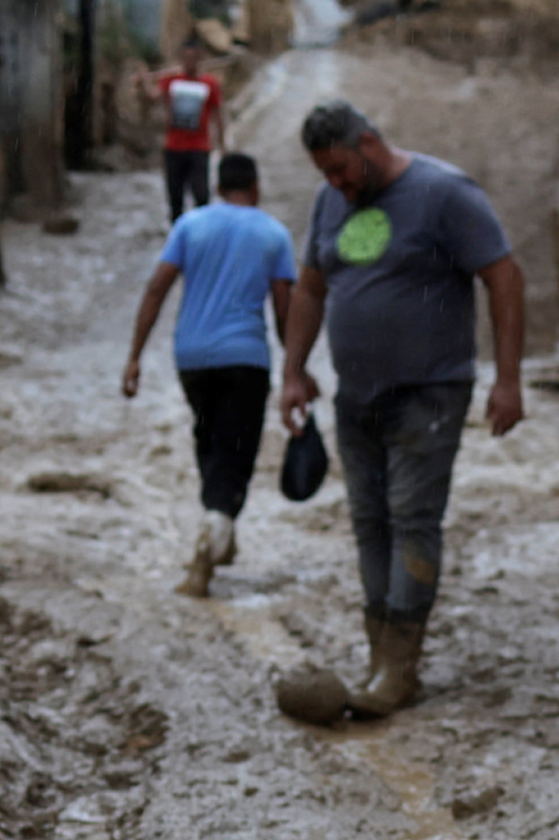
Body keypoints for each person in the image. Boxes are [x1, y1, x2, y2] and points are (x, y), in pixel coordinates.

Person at [275, 99, 524, 720]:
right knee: (368, 519)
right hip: (357, 393)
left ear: (368, 141)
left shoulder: (443, 194)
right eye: (324, 174)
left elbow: (504, 277)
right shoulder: (331, 201)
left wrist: (509, 380)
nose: (334, 184)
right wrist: (294, 371)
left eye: (340, 169)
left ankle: (399, 667)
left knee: (412, 515)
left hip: (430, 390)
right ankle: (378, 651)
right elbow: (310, 287)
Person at [124, 152, 297, 597]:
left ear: (219, 186)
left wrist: (135, 356)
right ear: (255, 188)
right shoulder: (273, 234)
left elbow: (157, 287)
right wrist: (296, 366)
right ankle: (213, 533)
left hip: (192, 358)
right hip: (246, 358)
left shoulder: (189, 226)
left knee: (209, 437)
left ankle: (220, 530)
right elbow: (283, 311)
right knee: (237, 448)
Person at [146, 41, 227, 225]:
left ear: (201, 59)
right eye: (186, 58)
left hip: (199, 148)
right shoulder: (170, 81)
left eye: (194, 58)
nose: (190, 62)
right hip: (174, 148)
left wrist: (222, 147)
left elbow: (218, 117)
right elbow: (152, 99)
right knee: (175, 198)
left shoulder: (210, 84)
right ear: (181, 59)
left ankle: (203, 234)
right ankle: (178, 238)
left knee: (202, 196)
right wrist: (143, 82)